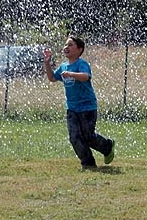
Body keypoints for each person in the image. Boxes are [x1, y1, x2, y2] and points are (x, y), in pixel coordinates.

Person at [43, 36, 115, 170]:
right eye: (65, 45)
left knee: (88, 136)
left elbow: (86, 76)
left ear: (79, 49)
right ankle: (88, 163)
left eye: (70, 45)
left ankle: (107, 146)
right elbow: (52, 78)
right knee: (74, 137)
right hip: (72, 108)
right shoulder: (63, 66)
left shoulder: (82, 64)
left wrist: (71, 74)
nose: (66, 47)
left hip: (87, 106)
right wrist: (47, 63)